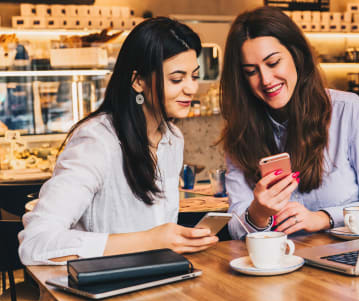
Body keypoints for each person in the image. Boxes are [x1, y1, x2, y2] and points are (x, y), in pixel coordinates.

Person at [18, 17, 218, 265]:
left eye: (194, 76)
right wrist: (150, 240)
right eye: (177, 79)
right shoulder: (97, 140)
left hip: (154, 285)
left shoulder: (172, 139)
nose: (191, 88)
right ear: (138, 81)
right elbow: (36, 244)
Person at [219, 7, 359, 240]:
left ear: (297, 55)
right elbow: (235, 227)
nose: (266, 80)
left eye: (273, 62)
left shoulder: (350, 112)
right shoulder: (241, 133)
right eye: (251, 72)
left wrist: (323, 218)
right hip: (278, 266)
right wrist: (258, 214)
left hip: (347, 260)